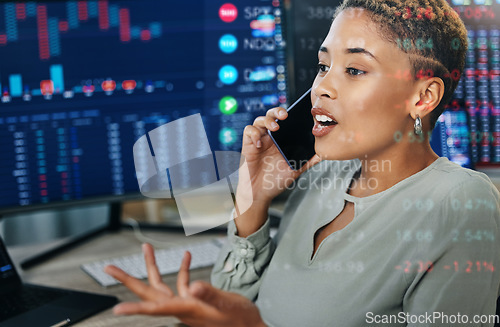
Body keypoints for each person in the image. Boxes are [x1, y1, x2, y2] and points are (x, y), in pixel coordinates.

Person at [105, 0, 500, 326]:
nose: (321, 87)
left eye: (355, 70)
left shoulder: (459, 200)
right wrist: (253, 201)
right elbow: (232, 305)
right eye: (323, 66)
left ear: (423, 96)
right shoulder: (322, 173)